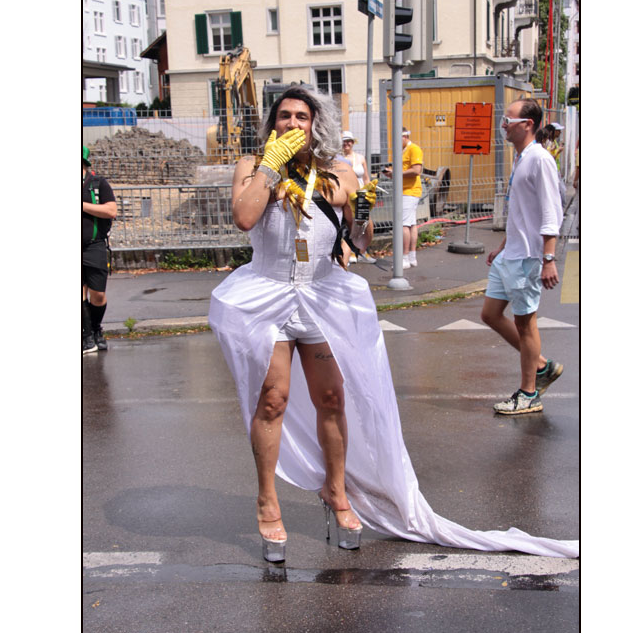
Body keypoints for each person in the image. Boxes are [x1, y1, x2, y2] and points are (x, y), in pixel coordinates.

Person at [209, 86, 578, 561]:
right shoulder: (251, 166)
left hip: (321, 295)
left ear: (315, 123)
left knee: (332, 398)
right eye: (285, 116)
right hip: (269, 296)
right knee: (273, 399)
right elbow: (244, 217)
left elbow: (359, 238)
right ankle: (267, 501)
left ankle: (336, 490)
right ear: (272, 123)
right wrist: (271, 165)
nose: (293, 123)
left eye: (302, 116)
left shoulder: (336, 170)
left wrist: (361, 214)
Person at [482, 99, 564, 414]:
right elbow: (522, 212)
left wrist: (548, 258)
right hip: (511, 253)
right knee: (490, 314)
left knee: (526, 324)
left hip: (529, 257)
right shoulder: (521, 158)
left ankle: (529, 393)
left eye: (508, 120)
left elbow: (550, 211)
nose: (503, 125)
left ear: (527, 124)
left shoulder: (540, 159)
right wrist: (502, 245)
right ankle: (541, 365)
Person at [82, 145, 117, 354]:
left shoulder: (98, 184)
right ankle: (86, 336)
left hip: (94, 245)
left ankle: (95, 329)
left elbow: (111, 210)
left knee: (98, 295)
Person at [383, 128, 423, 269]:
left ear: (405, 137)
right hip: (405, 190)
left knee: (403, 224)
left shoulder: (414, 149)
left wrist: (396, 173)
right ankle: (412, 257)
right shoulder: (402, 151)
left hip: (409, 191)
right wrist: (392, 173)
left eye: (397, 138)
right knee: (411, 224)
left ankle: (404, 258)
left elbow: (416, 170)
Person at [340, 130, 375, 264]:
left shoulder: (360, 158)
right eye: (344, 141)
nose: (347, 143)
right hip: (347, 197)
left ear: (353, 142)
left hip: (361, 197)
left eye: (349, 141)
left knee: (364, 224)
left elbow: (366, 178)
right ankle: (348, 254)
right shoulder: (338, 159)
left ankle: (362, 251)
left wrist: (370, 192)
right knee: (348, 225)